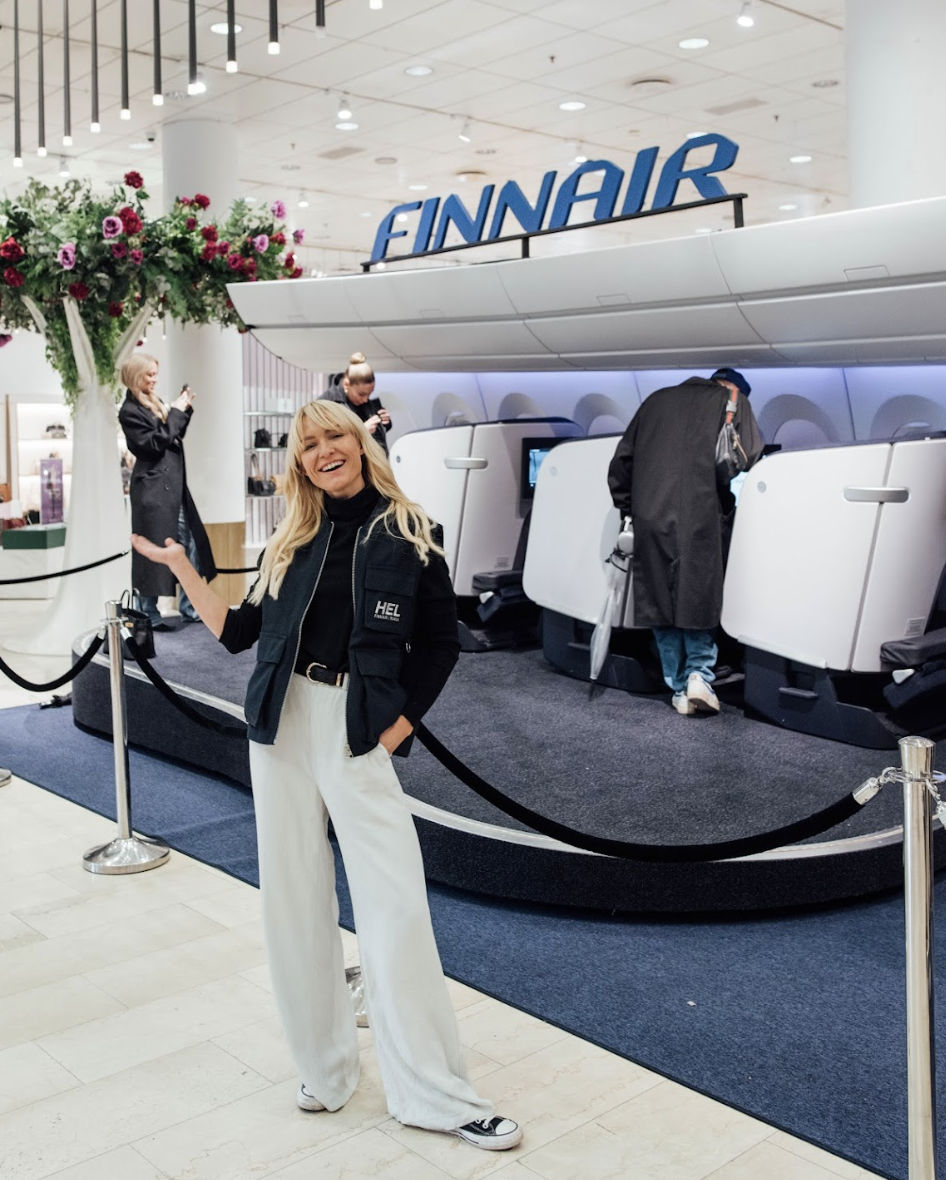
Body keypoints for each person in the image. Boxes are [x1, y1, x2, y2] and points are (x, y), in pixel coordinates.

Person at [129, 399, 522, 1152]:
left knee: (394, 904)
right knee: (293, 899)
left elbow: (441, 644)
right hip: (280, 723)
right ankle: (325, 1068)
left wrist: (397, 728)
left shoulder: (410, 530)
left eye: (332, 435)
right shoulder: (292, 536)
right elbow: (239, 633)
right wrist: (181, 569)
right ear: (300, 462)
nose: (321, 452)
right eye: (307, 445)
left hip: (354, 723)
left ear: (360, 442)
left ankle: (435, 1093)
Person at [607, 367, 763, 717]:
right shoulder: (732, 400)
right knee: (698, 596)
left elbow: (621, 464)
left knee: (660, 600)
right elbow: (750, 454)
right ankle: (698, 677)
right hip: (701, 512)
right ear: (735, 388)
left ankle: (677, 685)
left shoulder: (655, 400)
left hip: (650, 513)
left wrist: (629, 508)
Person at [118, 354, 216, 630]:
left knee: (189, 544)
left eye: (155, 373)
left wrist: (182, 410)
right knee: (153, 550)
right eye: (149, 374)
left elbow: (172, 435)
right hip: (153, 492)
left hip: (171, 487)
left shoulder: (153, 402)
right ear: (135, 375)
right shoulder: (129, 411)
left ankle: (190, 607)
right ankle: (149, 613)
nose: (154, 379)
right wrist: (175, 412)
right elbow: (154, 443)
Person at [321, 352, 391, 454]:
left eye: (369, 394)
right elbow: (327, 440)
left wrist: (384, 423)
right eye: (361, 394)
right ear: (346, 384)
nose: (366, 399)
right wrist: (361, 431)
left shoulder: (366, 403)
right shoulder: (326, 405)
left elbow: (377, 439)